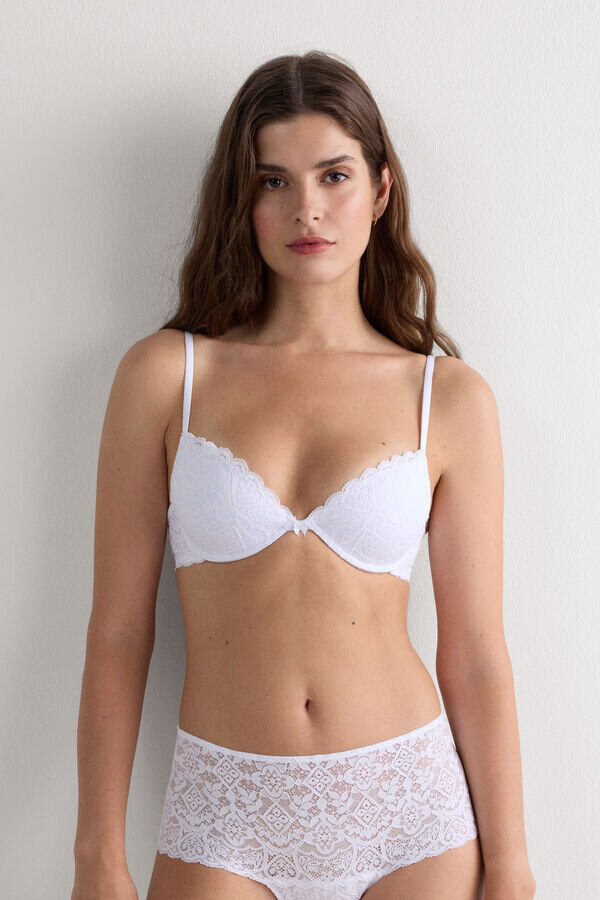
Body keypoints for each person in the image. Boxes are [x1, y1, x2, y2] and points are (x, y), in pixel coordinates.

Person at [72, 51, 536, 900]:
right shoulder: (166, 377)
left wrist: (511, 865)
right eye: (273, 181)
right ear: (241, 200)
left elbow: (474, 653)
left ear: (381, 191)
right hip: (225, 813)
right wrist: (97, 856)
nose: (307, 210)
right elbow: (118, 632)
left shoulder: (447, 398)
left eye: (334, 175)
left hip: (412, 816)